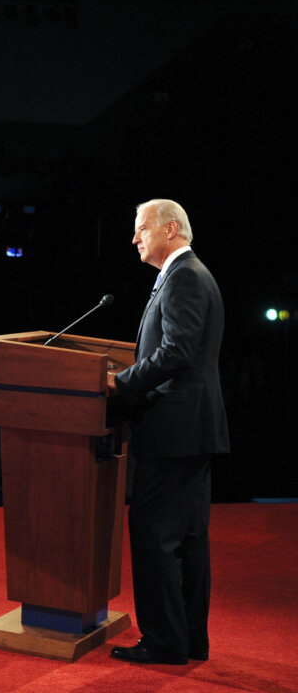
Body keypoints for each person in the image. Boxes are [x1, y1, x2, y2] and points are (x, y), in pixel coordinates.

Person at [107, 199, 228, 665]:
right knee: (188, 539)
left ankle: (164, 641)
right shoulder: (190, 275)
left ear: (171, 229)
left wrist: (123, 384)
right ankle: (189, 640)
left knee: (157, 534)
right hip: (189, 428)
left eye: (141, 229)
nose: (135, 238)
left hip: (175, 428)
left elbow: (176, 352)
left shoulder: (184, 277)